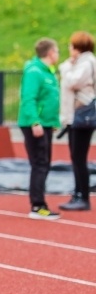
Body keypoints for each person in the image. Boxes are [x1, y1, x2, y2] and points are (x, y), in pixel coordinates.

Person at [18, 38, 61, 220]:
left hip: (46, 124)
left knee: (43, 163)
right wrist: (35, 122)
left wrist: (53, 123)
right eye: (57, 51)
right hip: (36, 125)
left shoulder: (47, 72)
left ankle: (39, 203)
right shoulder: (35, 72)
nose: (58, 55)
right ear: (50, 53)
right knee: (40, 163)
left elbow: (50, 100)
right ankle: (37, 205)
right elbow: (29, 98)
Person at [58, 31, 96, 211]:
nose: (69, 49)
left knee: (79, 158)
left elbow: (72, 82)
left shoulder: (86, 63)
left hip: (81, 116)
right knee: (76, 157)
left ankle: (83, 197)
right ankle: (78, 193)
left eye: (71, 46)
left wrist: (66, 67)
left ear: (77, 47)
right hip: (76, 116)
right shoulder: (82, 63)